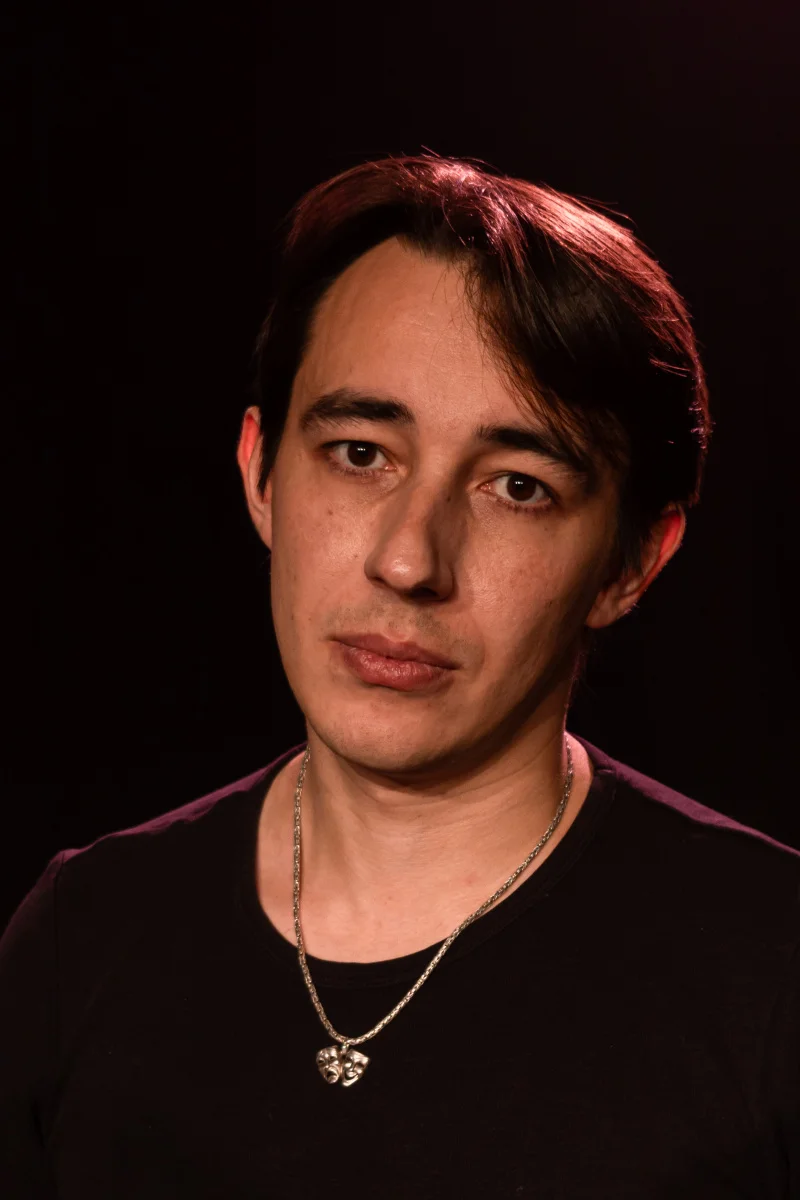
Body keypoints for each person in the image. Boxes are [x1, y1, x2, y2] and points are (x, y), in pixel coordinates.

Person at [1, 153, 798, 1199]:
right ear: (260, 472)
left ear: (631, 562)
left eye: (518, 486)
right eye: (360, 453)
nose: (410, 560)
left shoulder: (772, 974)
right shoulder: (81, 937)